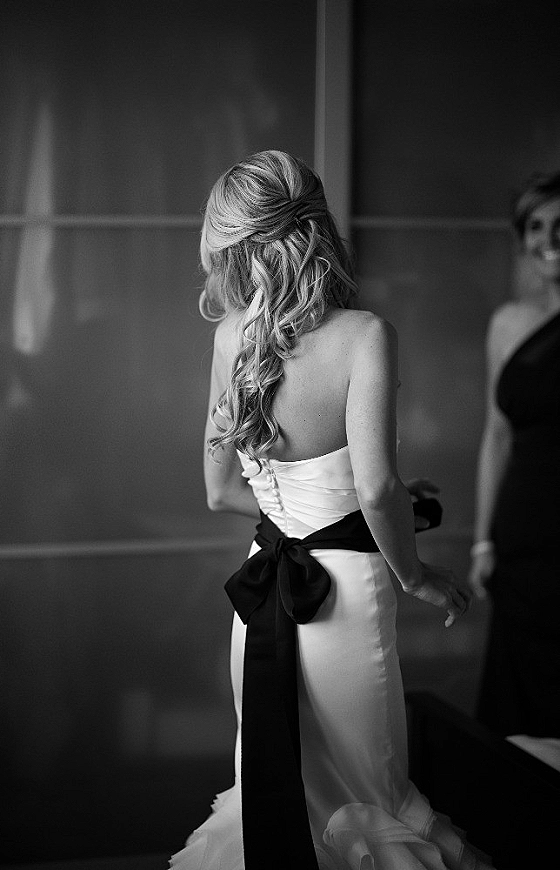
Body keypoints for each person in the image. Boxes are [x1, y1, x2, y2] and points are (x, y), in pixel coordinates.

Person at [169, 150, 492, 870]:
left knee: (275, 791)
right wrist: (418, 577)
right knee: (369, 795)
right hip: (344, 601)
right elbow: (374, 491)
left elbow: (221, 491)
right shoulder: (364, 335)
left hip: (261, 598)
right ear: (319, 227)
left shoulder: (230, 338)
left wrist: (349, 504)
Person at [469, 172, 560, 738]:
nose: (549, 238)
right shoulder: (507, 324)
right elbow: (496, 434)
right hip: (522, 532)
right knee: (518, 699)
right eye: (536, 226)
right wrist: (483, 540)